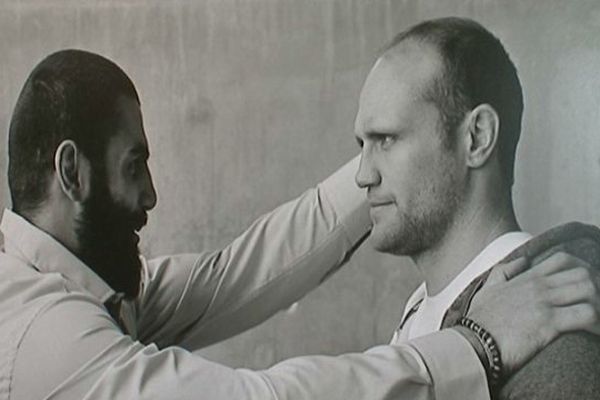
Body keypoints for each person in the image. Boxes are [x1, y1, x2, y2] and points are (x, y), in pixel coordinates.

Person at [0, 50, 597, 400]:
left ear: (476, 137)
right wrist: (476, 348)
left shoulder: (91, 282)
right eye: (134, 166)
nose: (151, 195)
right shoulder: (39, 339)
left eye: (382, 141)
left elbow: (239, 272)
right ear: (72, 172)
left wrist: (394, 170)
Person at [353, 17, 600, 399]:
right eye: (362, 145)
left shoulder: (560, 332)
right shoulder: (422, 307)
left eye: (385, 139)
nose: (362, 175)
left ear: (477, 137)